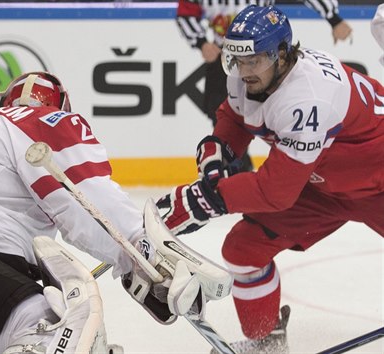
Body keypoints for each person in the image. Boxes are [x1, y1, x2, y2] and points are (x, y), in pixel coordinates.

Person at [0, 71, 233, 354]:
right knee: (56, 327)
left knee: (8, 328)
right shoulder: (43, 120)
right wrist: (144, 254)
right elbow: (81, 194)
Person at [158, 5, 384, 354]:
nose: (243, 71)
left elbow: (275, 191)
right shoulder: (249, 72)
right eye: (236, 60)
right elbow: (234, 117)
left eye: (253, 62)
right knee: (243, 249)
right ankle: (266, 342)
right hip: (322, 185)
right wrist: (218, 150)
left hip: (379, 184)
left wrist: (208, 199)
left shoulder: (307, 97)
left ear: (282, 54)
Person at [175, 0, 353, 172]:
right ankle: (237, 169)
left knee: (282, 111)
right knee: (223, 112)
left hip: (263, 56)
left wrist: (334, 18)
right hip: (227, 56)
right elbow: (185, 13)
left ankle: (259, 169)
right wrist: (201, 42)